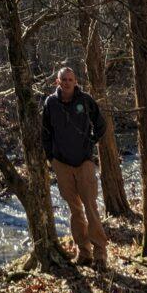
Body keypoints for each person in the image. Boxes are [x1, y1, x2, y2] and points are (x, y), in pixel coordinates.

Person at [42, 66, 109, 268]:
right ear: (57, 81)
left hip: (84, 162)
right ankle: (83, 253)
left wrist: (91, 141)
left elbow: (101, 124)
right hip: (61, 163)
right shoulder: (50, 103)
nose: (67, 82)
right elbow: (45, 132)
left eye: (70, 79)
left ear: (75, 81)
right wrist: (50, 157)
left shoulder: (85, 100)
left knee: (91, 207)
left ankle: (100, 255)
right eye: (64, 79)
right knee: (75, 210)